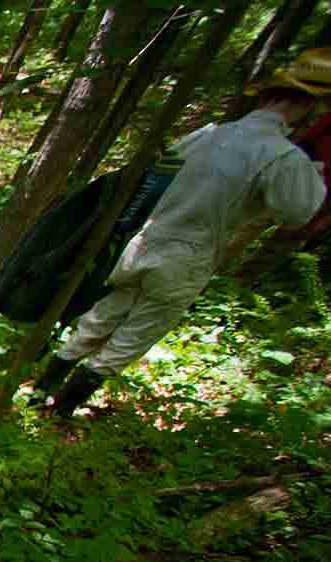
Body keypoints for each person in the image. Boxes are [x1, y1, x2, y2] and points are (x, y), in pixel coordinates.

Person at [32, 48, 331, 417]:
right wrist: (312, 172)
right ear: (306, 107)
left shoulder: (208, 135)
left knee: (104, 315)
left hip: (146, 240)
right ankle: (59, 409)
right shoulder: (282, 157)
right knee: (133, 334)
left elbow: (162, 170)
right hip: (188, 256)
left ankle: (41, 391)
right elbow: (297, 213)